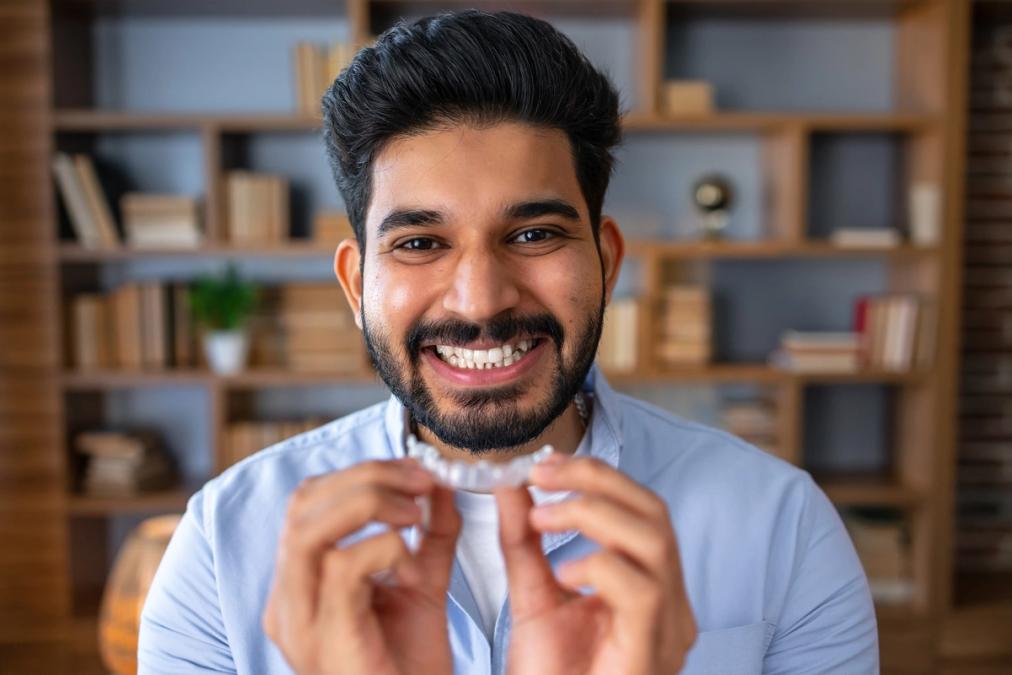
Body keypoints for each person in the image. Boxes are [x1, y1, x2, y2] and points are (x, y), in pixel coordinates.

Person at [138, 10, 879, 674]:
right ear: (357, 285)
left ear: (608, 261)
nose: (481, 299)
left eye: (533, 234)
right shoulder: (221, 548)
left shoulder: (783, 527)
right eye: (422, 241)